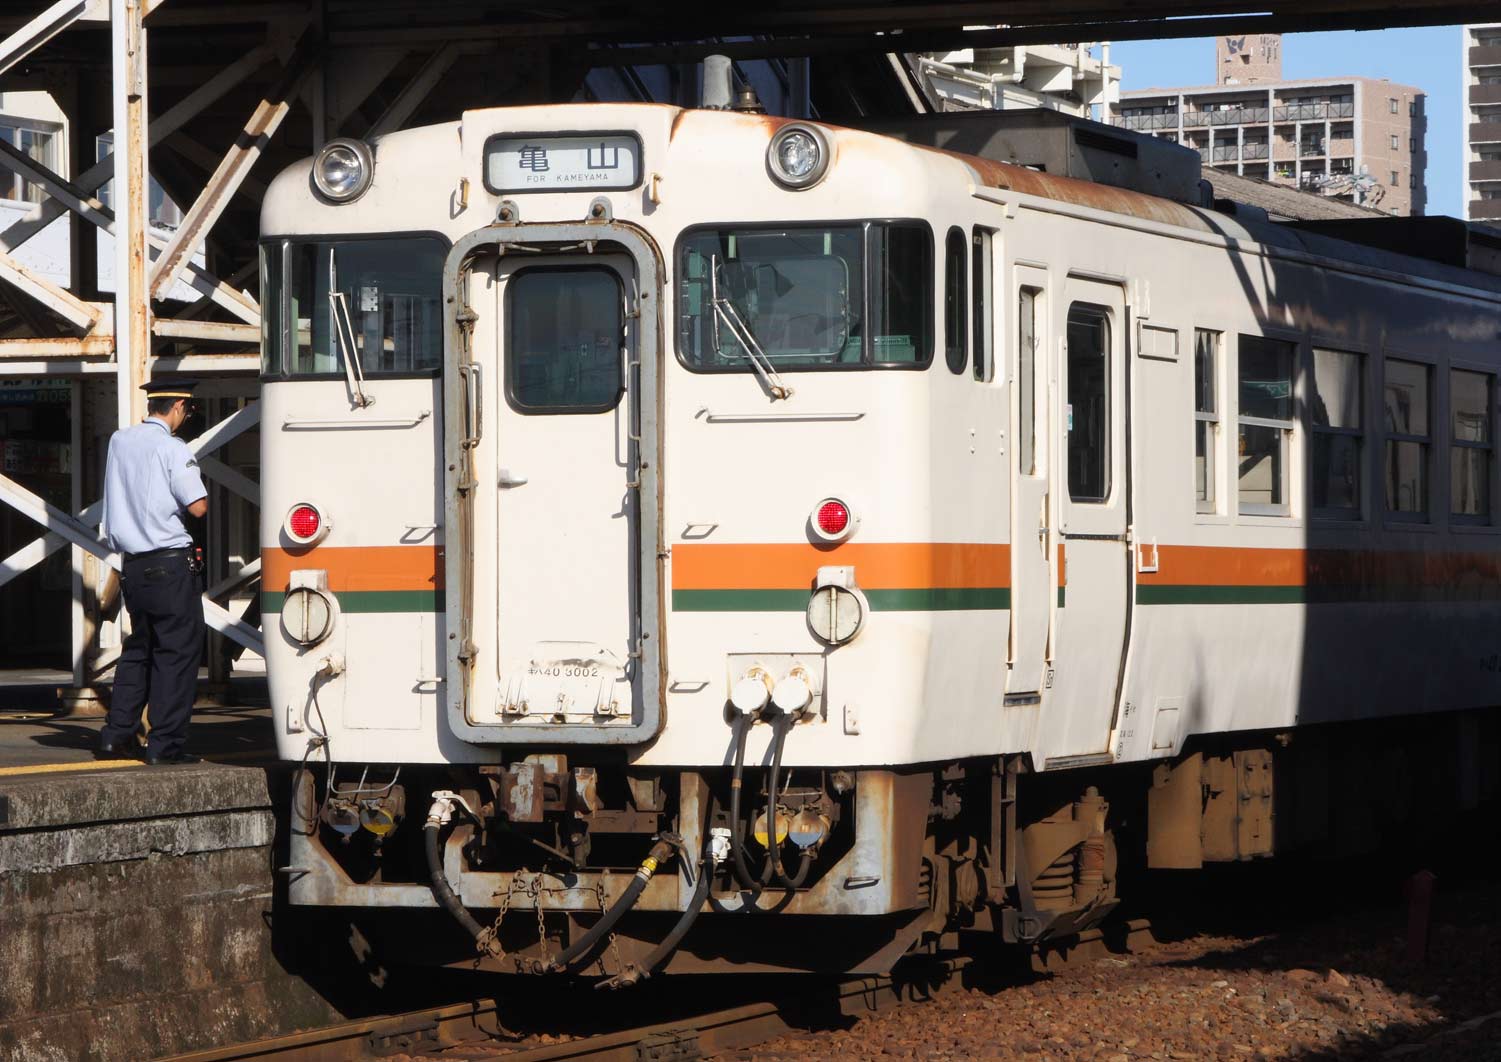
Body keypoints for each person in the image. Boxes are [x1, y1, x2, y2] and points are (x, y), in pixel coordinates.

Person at [97, 379, 208, 765]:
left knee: (139, 649)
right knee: (177, 653)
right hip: (170, 564)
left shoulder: (120, 441)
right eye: (187, 410)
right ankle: (165, 745)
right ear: (178, 406)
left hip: (133, 566)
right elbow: (197, 506)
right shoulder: (172, 447)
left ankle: (116, 735)